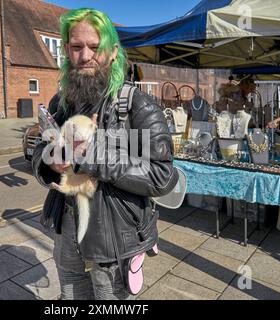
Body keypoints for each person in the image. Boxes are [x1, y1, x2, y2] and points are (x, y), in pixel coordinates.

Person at [32, 8, 178, 300]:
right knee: (71, 296)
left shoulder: (137, 105)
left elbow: (163, 176)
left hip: (116, 237)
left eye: (95, 47)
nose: (85, 56)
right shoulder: (62, 102)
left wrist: (91, 154)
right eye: (76, 47)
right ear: (66, 50)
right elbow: (40, 151)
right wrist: (50, 159)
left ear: (112, 53)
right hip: (68, 224)